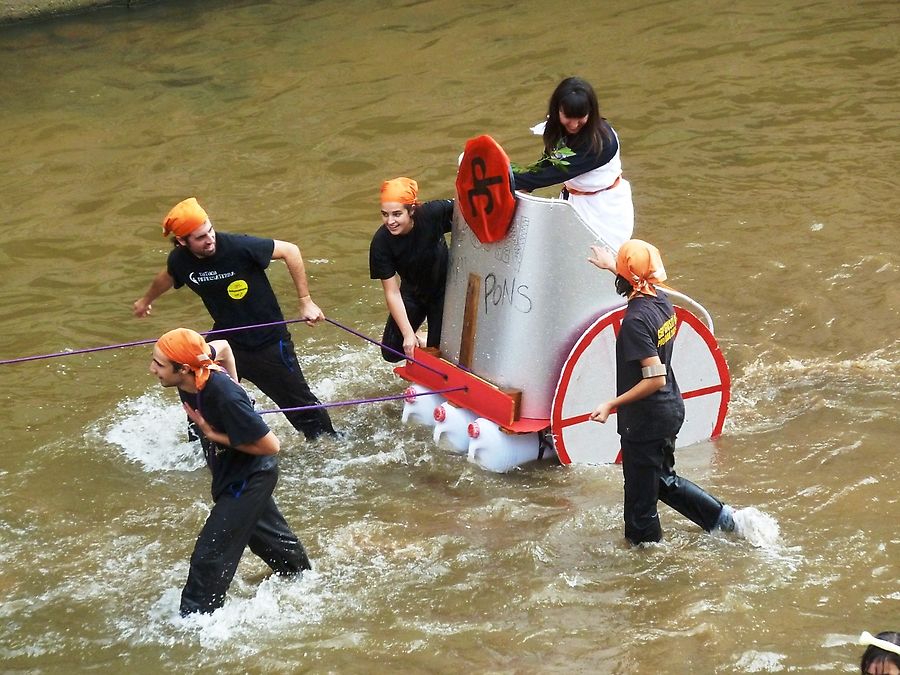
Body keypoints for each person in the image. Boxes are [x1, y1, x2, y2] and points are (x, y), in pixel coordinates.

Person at [133, 197, 335, 440]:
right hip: (225, 339)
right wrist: (146, 301)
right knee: (197, 395)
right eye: (200, 237)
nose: (210, 239)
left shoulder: (239, 246)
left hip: (268, 341)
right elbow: (167, 276)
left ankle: (329, 443)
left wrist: (305, 301)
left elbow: (290, 251)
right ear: (182, 242)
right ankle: (204, 448)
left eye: (210, 231)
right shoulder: (180, 260)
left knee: (301, 407)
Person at [149, 327, 311, 616]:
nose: (153, 369)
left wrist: (213, 432)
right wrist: (237, 381)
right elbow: (222, 346)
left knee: (210, 554)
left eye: (159, 365)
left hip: (250, 476)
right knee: (270, 541)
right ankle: (303, 578)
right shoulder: (198, 361)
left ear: (184, 369)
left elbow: (272, 446)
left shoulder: (224, 396)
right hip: (229, 472)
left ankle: (196, 621)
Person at [587, 239, 735, 545]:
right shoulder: (662, 301)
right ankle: (723, 519)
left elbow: (654, 378)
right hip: (670, 409)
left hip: (645, 420)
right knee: (662, 481)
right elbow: (635, 280)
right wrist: (611, 265)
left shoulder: (635, 322)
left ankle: (646, 564)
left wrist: (610, 404)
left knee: (640, 510)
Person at [513, 76, 634, 250]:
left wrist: (506, 179)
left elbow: (554, 173)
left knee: (602, 259)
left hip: (603, 208)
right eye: (568, 117)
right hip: (573, 201)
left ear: (591, 112)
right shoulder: (556, 130)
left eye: (580, 117)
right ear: (557, 111)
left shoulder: (603, 142)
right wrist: (522, 186)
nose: (574, 124)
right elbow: (547, 164)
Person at [369, 177, 454, 362]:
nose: (390, 221)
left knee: (438, 353)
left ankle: (427, 340)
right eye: (385, 214)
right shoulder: (381, 243)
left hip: (444, 293)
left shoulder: (433, 213)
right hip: (413, 292)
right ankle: (418, 337)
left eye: (397, 214)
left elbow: (471, 207)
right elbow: (391, 292)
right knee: (391, 353)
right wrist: (408, 334)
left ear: (412, 210)